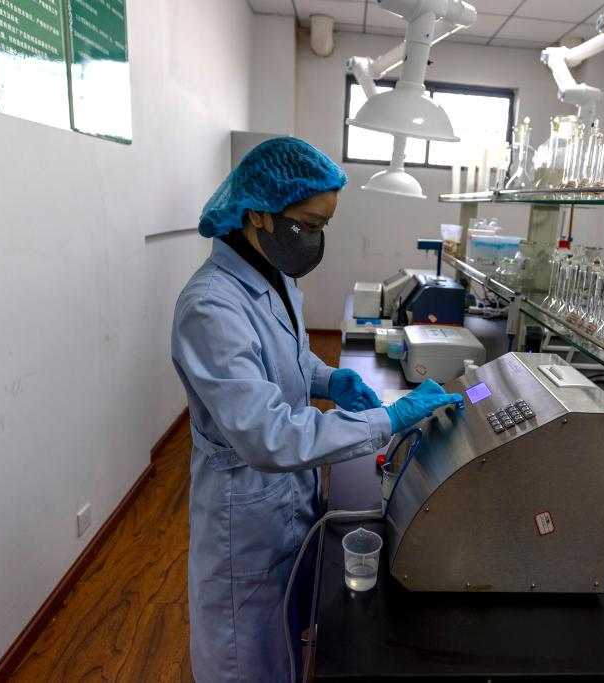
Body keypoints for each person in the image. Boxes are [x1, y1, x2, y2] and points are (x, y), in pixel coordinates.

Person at [171, 137, 463, 682]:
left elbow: (286, 357)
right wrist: (387, 420)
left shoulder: (271, 274)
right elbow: (268, 436)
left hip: (286, 499)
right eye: (308, 224)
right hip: (245, 519)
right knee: (248, 661)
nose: (316, 239)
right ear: (258, 213)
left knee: (290, 640)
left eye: (324, 225)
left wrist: (329, 378)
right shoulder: (210, 306)